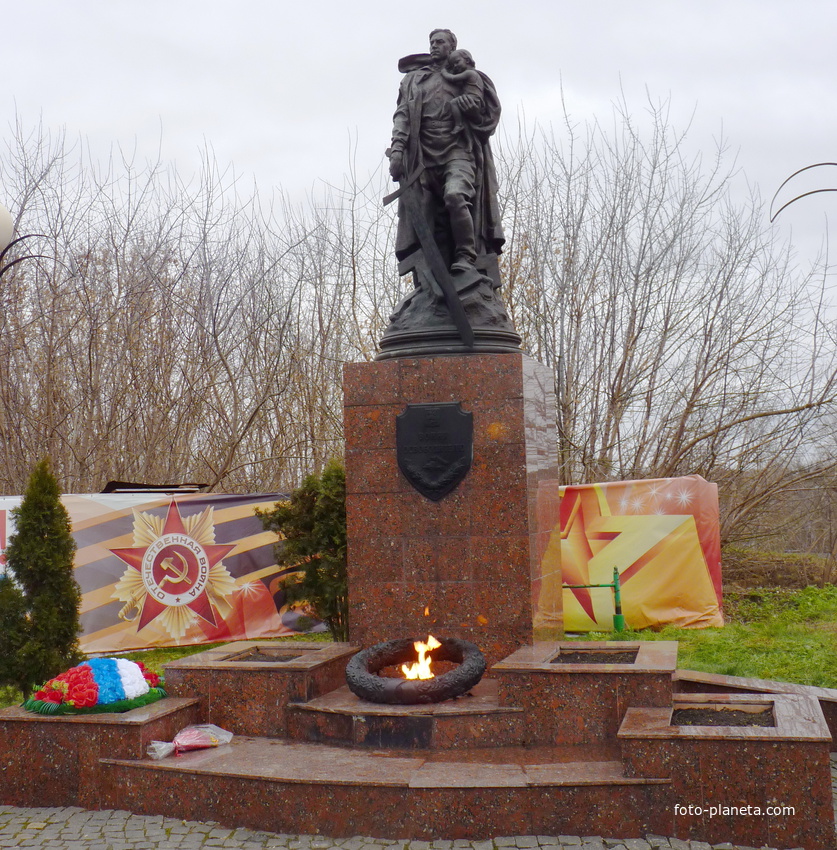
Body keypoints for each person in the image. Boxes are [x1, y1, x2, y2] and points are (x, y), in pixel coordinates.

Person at [388, 29, 504, 275]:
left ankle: (466, 256)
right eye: (431, 42)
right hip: (422, 156)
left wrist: (471, 109)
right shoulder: (414, 80)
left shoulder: (466, 76)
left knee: (455, 197)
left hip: (458, 149)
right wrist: (398, 149)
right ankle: (436, 279)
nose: (434, 46)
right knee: (431, 218)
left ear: (452, 47)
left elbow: (485, 117)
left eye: (439, 42)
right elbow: (402, 116)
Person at [440, 49, 484, 138]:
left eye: (457, 62)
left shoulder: (469, 73)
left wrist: (444, 72)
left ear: (467, 60)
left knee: (454, 103)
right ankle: (468, 141)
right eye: (453, 65)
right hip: (474, 99)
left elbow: (452, 78)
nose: (455, 66)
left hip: (471, 99)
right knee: (466, 126)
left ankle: (458, 125)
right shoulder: (471, 74)